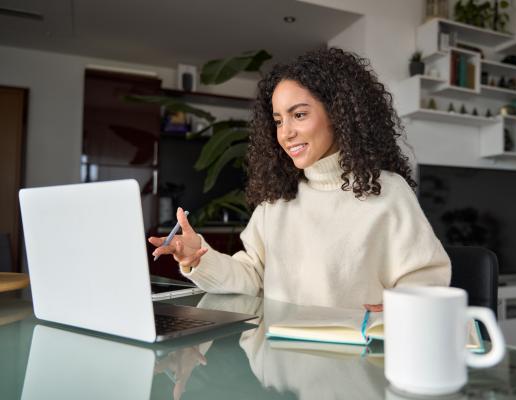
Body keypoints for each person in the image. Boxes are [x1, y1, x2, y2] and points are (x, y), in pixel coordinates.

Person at [149, 47, 450, 309]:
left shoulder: (387, 192)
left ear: (338, 113)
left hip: (352, 364)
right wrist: (198, 258)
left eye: (300, 115)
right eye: (278, 120)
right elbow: (251, 276)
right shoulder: (277, 201)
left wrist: (401, 309)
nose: (286, 132)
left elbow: (426, 279)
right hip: (281, 362)